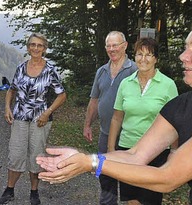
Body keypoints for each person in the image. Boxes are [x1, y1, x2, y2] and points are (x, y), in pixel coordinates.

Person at [38, 9, 192, 204]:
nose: (183, 56)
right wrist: (81, 157)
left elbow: (168, 177)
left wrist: (92, 163)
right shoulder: (184, 105)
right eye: (185, 48)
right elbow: (135, 155)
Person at [106, 37, 178, 205]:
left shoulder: (168, 85)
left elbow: (175, 122)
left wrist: (174, 152)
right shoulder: (125, 83)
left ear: (156, 59)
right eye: (139, 54)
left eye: (148, 55)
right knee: (131, 200)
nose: (143, 59)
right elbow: (117, 118)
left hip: (156, 150)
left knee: (149, 200)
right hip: (127, 149)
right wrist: (111, 149)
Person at [0, 33, 67, 205]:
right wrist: (7, 107)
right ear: (28, 47)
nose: (36, 48)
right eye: (33, 45)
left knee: (36, 156)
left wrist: (47, 112)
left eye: (40, 45)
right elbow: (11, 89)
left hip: (40, 120)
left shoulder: (50, 70)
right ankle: (9, 189)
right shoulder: (21, 67)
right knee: (15, 154)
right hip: (20, 117)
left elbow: (62, 95)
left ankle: (34, 192)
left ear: (44, 49)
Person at [82, 31, 138, 205]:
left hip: (130, 135)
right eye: (109, 46)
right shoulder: (102, 71)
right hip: (105, 133)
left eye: (115, 45)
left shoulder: (135, 70)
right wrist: (87, 124)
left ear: (125, 46)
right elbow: (94, 100)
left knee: (131, 177)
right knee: (105, 174)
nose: (112, 49)